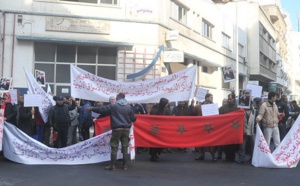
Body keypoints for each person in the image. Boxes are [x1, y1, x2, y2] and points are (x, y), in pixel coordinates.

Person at [87, 93, 136, 171]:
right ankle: (125, 165)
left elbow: (102, 109)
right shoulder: (128, 107)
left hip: (117, 129)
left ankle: (112, 166)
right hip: (126, 129)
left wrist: (91, 108)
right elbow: (134, 119)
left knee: (114, 146)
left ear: (117, 98)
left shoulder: (114, 106)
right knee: (125, 147)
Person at [195, 93, 217, 162]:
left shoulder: (213, 106)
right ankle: (202, 155)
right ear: (207, 98)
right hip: (202, 126)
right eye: (211, 97)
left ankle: (213, 156)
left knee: (211, 143)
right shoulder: (200, 106)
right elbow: (195, 113)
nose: (212, 99)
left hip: (210, 127)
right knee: (202, 142)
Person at [149, 98, 172, 162]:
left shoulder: (164, 109)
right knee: (154, 142)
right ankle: (153, 155)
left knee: (159, 142)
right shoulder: (154, 109)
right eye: (166, 103)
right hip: (155, 129)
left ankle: (156, 154)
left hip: (161, 129)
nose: (167, 105)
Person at [219, 90, 239, 161]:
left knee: (233, 143)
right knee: (226, 143)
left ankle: (232, 156)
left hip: (234, 128)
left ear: (234, 99)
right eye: (229, 99)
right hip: (226, 128)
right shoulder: (224, 107)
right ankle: (227, 156)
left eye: (231, 99)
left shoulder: (238, 107)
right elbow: (219, 115)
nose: (230, 100)